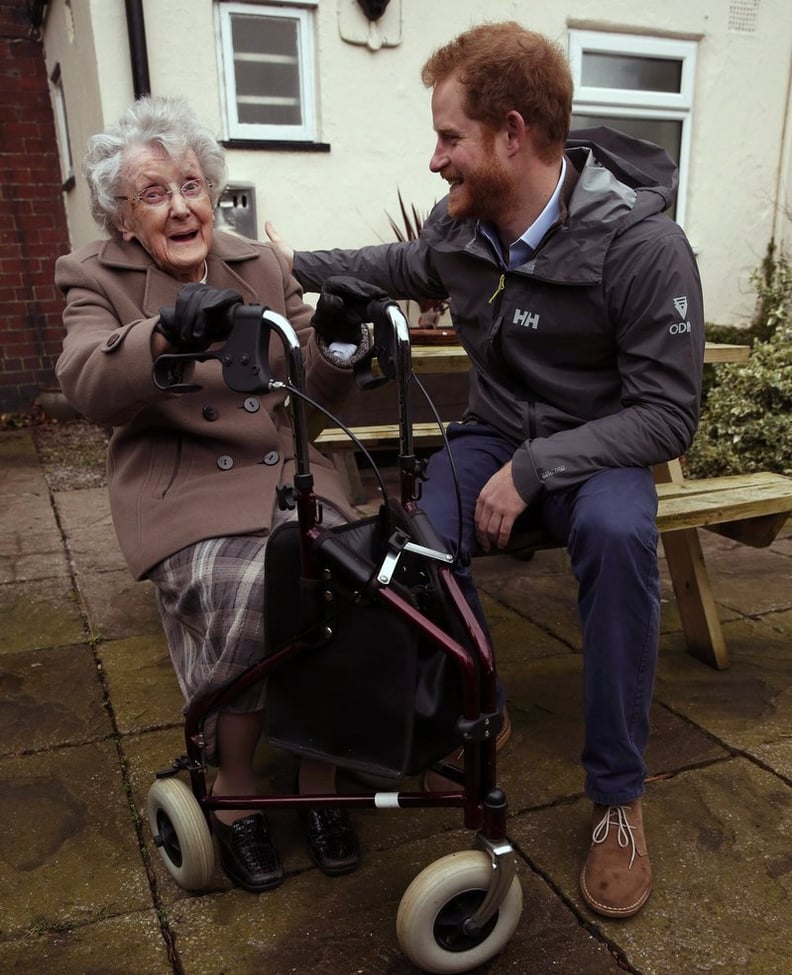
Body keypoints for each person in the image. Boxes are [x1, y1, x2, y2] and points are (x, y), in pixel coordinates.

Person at [266, 22, 706, 919]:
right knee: (419, 529)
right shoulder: (465, 232)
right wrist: (269, 267)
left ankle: (618, 797)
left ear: (512, 134)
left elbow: (667, 414)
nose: (435, 160)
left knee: (625, 536)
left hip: (601, 450)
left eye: (449, 137)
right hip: (495, 433)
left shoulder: (641, 246)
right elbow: (389, 264)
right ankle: (481, 699)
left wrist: (541, 464)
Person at [55, 95, 373, 894]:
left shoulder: (259, 262)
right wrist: (162, 335)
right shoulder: (96, 276)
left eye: (191, 185)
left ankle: (318, 775)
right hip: (186, 489)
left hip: (287, 476)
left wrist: (337, 336)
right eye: (154, 194)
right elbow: (86, 379)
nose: (181, 206)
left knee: (354, 581)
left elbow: (320, 390)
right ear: (124, 218)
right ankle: (233, 783)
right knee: (258, 589)